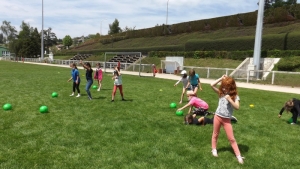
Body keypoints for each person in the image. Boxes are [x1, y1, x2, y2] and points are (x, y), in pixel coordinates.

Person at [210, 75, 244, 164]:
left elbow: (237, 107)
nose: (224, 88)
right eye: (223, 86)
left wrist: (229, 99)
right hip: (217, 116)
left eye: (226, 87)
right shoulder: (221, 93)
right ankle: (214, 149)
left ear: (231, 87)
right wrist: (221, 78)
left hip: (226, 120)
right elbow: (212, 85)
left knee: (231, 138)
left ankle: (238, 156)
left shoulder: (235, 96)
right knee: (215, 134)